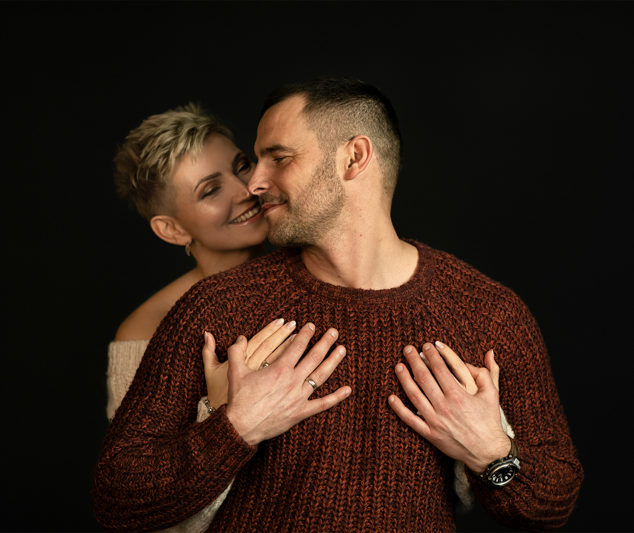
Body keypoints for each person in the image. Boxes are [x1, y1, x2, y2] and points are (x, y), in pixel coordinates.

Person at [94, 77, 583, 532]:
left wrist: (492, 453)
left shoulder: (487, 313)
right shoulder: (215, 307)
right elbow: (117, 498)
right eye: (256, 161)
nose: (254, 184)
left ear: (353, 158)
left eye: (277, 158)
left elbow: (554, 501)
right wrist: (234, 426)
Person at [107, 103, 301, 532]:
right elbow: (147, 508)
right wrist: (217, 411)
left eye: (241, 166)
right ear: (172, 229)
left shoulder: (315, 271)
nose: (247, 189)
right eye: (210, 190)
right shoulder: (147, 329)